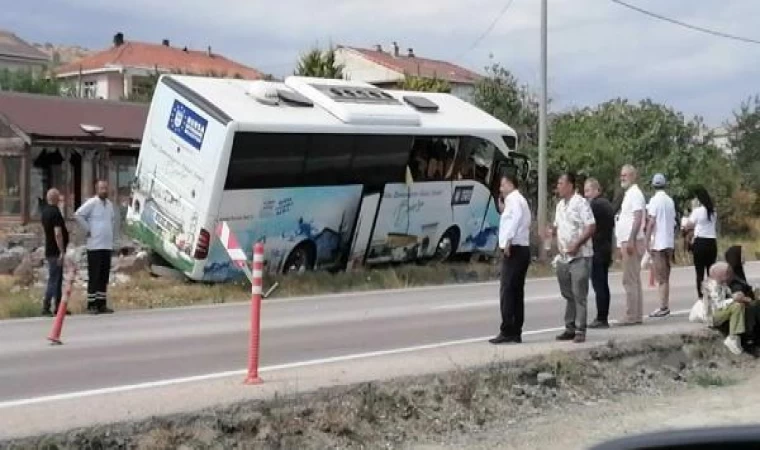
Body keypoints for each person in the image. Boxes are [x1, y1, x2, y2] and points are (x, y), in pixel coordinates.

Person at [546, 173, 596, 343]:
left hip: (580, 255)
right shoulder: (560, 205)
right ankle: (570, 327)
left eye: (561, 183)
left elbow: (590, 226)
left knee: (579, 293)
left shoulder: (580, 203)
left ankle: (580, 329)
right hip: (564, 256)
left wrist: (577, 244)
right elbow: (558, 225)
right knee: (568, 293)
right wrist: (552, 233)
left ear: (570, 185)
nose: (558, 187)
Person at [490, 172, 532, 345]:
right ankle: (516, 330)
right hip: (522, 248)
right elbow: (524, 220)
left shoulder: (514, 199)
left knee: (507, 290)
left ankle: (507, 329)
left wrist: (508, 241)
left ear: (510, 184)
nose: (500, 189)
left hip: (514, 249)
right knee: (516, 291)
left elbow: (514, 221)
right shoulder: (519, 200)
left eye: (502, 185)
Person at [75, 180, 118, 315]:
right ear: (97, 190)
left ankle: (101, 303)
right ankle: (91, 304)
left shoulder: (110, 205)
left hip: (106, 245)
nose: (104, 190)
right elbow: (78, 214)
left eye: (105, 188)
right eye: (101, 188)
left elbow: (111, 221)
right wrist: (88, 229)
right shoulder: (92, 203)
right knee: (94, 275)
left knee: (104, 276)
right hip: (95, 246)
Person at [615, 164, 646, 326]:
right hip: (629, 239)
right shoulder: (630, 194)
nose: (623, 178)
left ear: (633, 176)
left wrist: (631, 239)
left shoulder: (635, 194)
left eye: (626, 175)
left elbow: (638, 217)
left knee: (629, 280)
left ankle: (631, 315)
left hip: (631, 240)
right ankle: (637, 314)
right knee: (634, 279)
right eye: (622, 175)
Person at [584, 178, 615, 328]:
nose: (586, 195)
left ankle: (601, 318)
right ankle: (603, 316)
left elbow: (588, 225)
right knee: (603, 284)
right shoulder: (607, 204)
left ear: (597, 190)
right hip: (607, 247)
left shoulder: (594, 205)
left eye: (588, 191)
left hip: (597, 249)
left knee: (598, 284)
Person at [645, 173, 677, 318]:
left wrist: (646, 240)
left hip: (658, 242)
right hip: (669, 242)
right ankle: (665, 304)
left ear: (653, 185)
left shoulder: (654, 201)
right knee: (666, 276)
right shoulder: (670, 201)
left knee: (661, 277)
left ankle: (663, 307)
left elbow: (651, 221)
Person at [704, 262, 752, 355]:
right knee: (737, 306)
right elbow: (718, 304)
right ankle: (733, 337)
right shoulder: (713, 286)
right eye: (728, 274)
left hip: (719, 312)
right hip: (712, 316)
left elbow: (728, 295)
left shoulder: (722, 284)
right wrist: (734, 299)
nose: (731, 276)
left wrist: (739, 296)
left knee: (740, 304)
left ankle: (736, 337)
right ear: (721, 274)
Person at [682, 186, 718, 302]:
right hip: (711, 243)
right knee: (711, 272)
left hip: (700, 243)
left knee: (699, 274)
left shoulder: (697, 211)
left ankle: (701, 298)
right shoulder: (713, 212)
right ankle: (713, 296)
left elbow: (688, 225)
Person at [724, 245, 760, 356]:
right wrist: (750, 299)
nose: (744, 256)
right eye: (742, 254)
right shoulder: (733, 277)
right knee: (755, 308)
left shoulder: (738, 273)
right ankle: (751, 343)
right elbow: (738, 296)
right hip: (743, 314)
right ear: (736, 257)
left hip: (746, 310)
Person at [40, 188, 69, 316]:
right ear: (56, 198)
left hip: (49, 249)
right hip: (55, 251)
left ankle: (58, 307)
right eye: (59, 197)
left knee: (57, 279)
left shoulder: (45, 212)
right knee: (54, 279)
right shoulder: (55, 212)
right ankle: (46, 306)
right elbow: (58, 233)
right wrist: (62, 251)